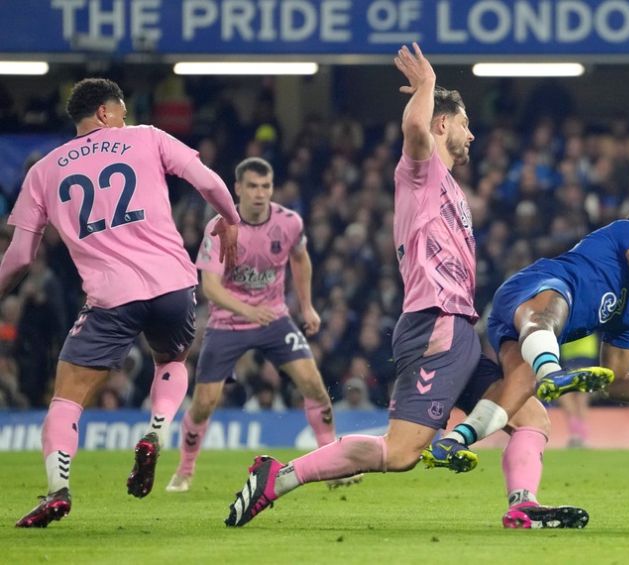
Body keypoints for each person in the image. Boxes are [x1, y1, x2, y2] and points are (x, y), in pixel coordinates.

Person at [223, 44, 590, 529]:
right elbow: (415, 128)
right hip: (435, 324)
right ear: (443, 124)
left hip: (457, 328)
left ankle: (522, 503)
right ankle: (279, 477)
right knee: (399, 453)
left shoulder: (449, 187)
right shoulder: (420, 171)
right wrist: (427, 85)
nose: (472, 133)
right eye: (464, 123)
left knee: (530, 417)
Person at [1, 78, 240, 527]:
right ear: (106, 113)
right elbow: (209, 182)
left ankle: (57, 490)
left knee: (68, 397)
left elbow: (19, 257)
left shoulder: (44, 171)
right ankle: (156, 431)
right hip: (173, 284)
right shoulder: (147, 137)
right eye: (122, 111)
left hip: (112, 296)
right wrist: (231, 219)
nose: (125, 118)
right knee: (172, 358)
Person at [427, 202, 629, 464]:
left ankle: (453, 441)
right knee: (552, 306)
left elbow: (616, 383)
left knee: (517, 390)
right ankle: (552, 372)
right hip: (535, 288)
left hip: (531, 333)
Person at [165, 157, 355, 493]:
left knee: (314, 386)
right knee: (205, 402)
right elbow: (209, 288)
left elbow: (300, 258)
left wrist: (307, 306)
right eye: (252, 186)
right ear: (237, 188)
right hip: (227, 324)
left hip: (275, 319)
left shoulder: (289, 222)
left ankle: (332, 466)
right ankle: (185, 469)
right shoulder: (220, 227)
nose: (259, 193)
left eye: (265, 186)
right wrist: (249, 312)